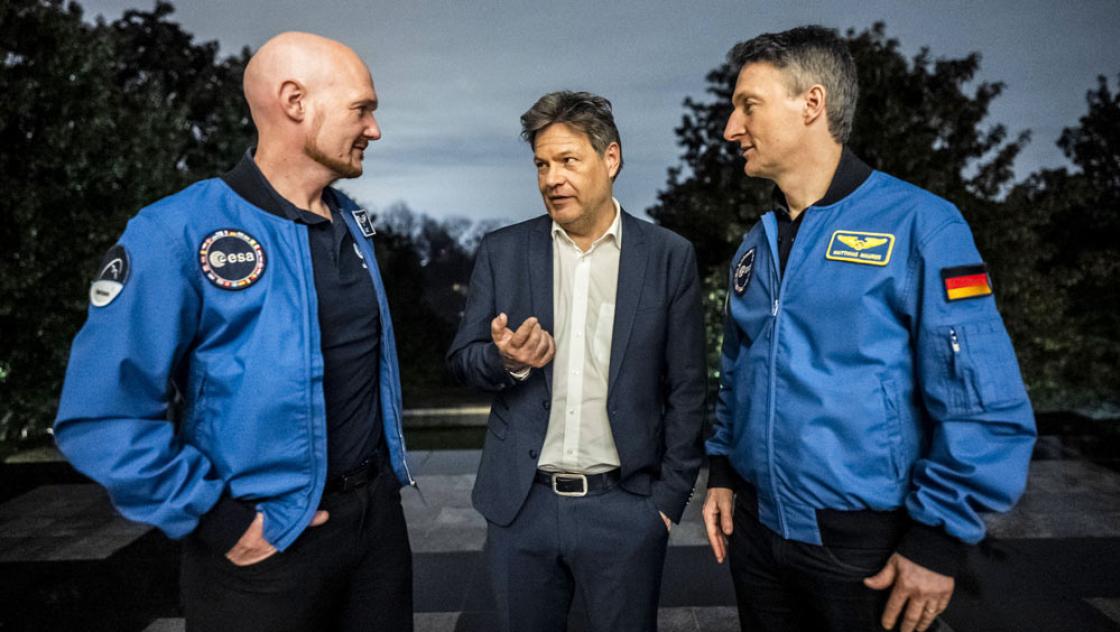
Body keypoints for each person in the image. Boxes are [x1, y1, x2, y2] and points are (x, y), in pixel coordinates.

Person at [54, 32, 413, 632]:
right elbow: (99, 415)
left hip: (376, 530)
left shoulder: (353, 224)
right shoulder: (174, 232)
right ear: (295, 102)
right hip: (261, 547)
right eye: (362, 109)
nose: (374, 129)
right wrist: (218, 521)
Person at [701, 26, 1036, 632]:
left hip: (864, 549)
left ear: (812, 103)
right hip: (756, 535)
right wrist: (722, 470)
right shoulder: (757, 245)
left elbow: (981, 400)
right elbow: (736, 370)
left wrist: (937, 539)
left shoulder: (922, 226)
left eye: (747, 105)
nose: (730, 127)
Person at [447, 91, 707, 632]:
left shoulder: (668, 256)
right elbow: (463, 361)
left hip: (627, 508)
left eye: (568, 161)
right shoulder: (503, 251)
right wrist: (507, 362)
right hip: (522, 507)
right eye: (542, 164)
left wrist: (665, 503)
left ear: (610, 159)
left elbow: (687, 388)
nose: (551, 179)